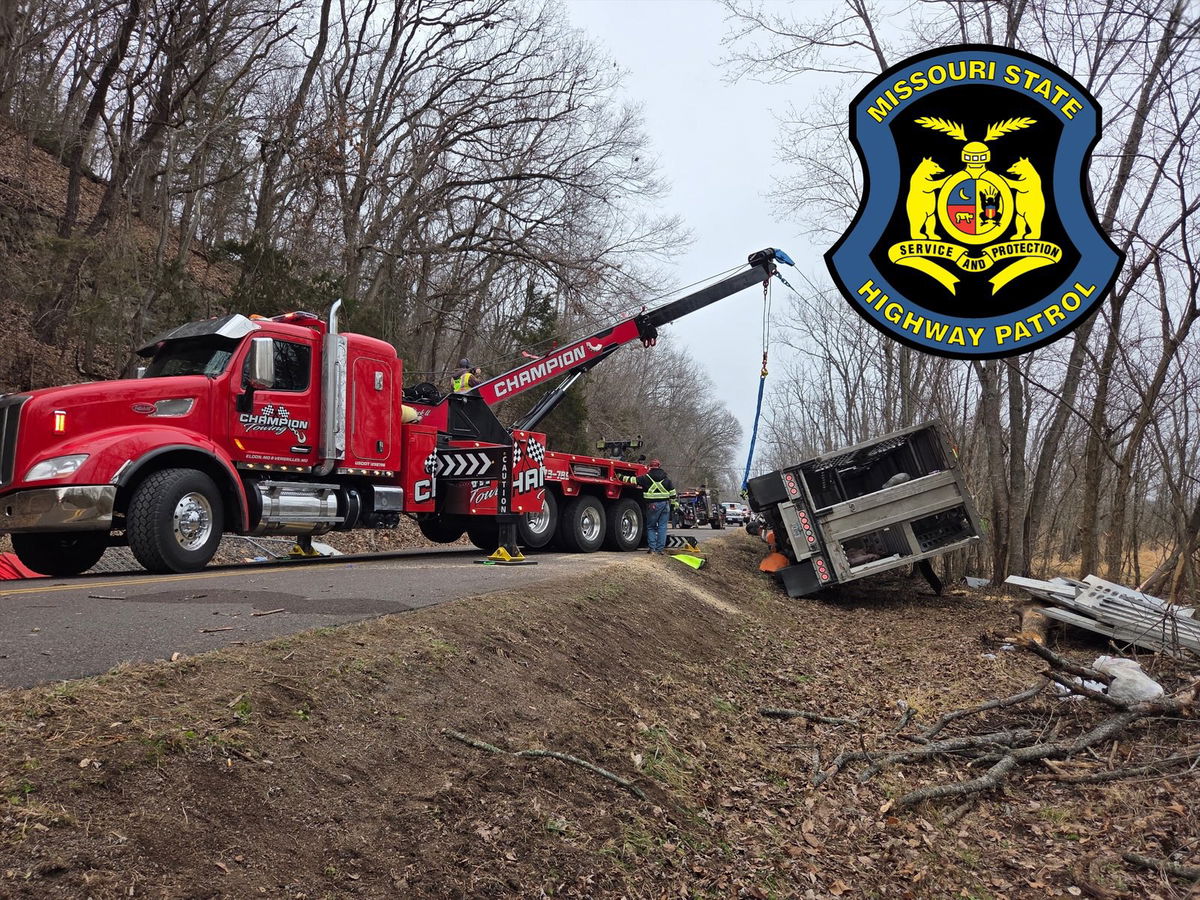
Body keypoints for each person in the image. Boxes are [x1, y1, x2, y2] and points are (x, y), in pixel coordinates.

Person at [620, 458, 677, 554]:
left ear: (650, 467)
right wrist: (673, 505)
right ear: (659, 466)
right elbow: (673, 493)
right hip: (665, 505)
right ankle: (660, 550)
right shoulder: (666, 479)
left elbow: (632, 480)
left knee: (651, 527)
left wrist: (620, 476)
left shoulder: (646, 478)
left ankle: (652, 549)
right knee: (662, 527)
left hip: (653, 505)